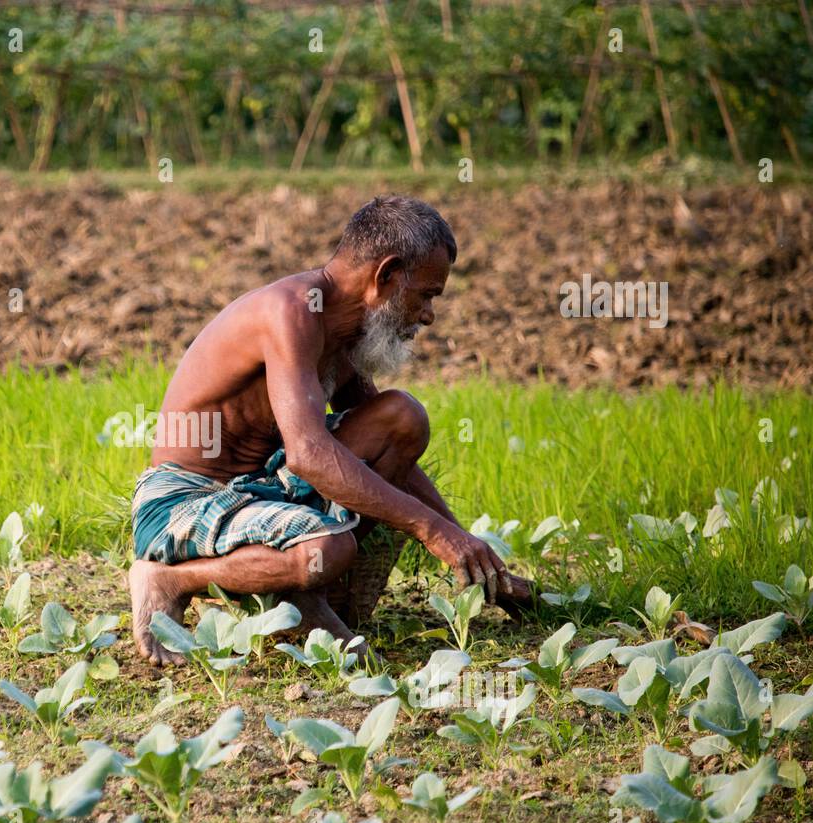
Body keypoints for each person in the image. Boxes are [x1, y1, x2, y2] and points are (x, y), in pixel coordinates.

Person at [129, 195, 533, 665]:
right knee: (328, 547)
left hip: (261, 490)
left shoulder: (345, 335)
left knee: (401, 417)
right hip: (187, 501)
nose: (427, 315)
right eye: (425, 294)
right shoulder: (291, 312)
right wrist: (430, 529)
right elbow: (306, 455)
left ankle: (300, 599)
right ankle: (170, 578)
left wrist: (474, 560)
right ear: (385, 276)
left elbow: (389, 456)